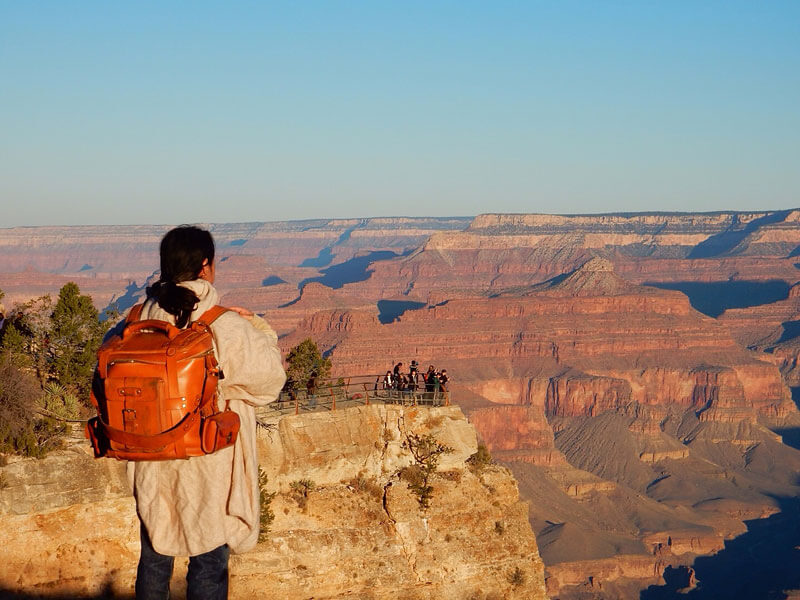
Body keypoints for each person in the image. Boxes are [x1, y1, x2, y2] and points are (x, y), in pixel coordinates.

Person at [128, 225, 286, 600]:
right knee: (209, 562)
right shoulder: (223, 324)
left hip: (151, 456)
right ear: (205, 267)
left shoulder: (137, 318)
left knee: (154, 558)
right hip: (207, 455)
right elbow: (268, 382)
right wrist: (256, 326)